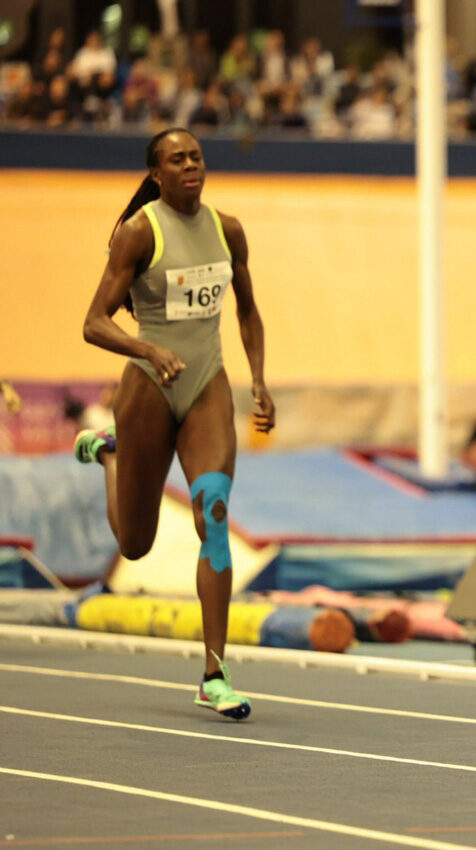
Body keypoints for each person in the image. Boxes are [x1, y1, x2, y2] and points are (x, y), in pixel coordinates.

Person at [76, 128, 274, 720]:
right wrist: (146, 349)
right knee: (135, 546)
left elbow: (248, 310)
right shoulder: (141, 232)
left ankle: (214, 672)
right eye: (176, 159)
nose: (190, 165)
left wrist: (259, 379)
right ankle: (111, 456)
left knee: (213, 512)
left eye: (196, 156)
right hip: (148, 387)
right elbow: (92, 322)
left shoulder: (227, 228)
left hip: (207, 381)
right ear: (157, 173)